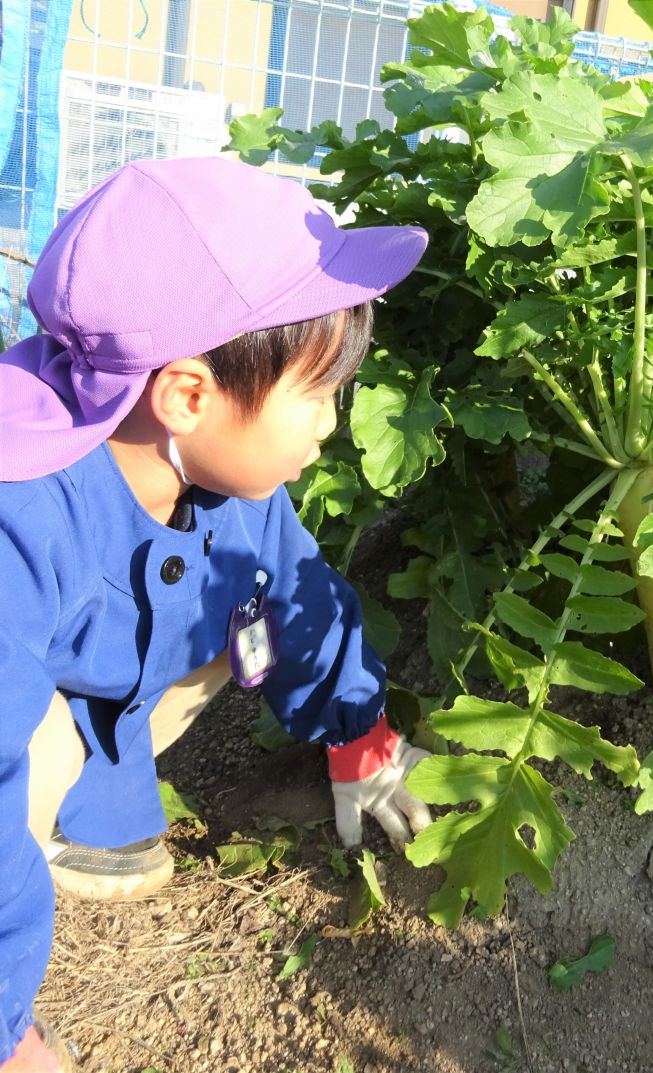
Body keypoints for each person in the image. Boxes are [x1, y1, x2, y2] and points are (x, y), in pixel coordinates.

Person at [0, 156, 433, 1071]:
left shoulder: (223, 480)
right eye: (318, 394)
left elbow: (301, 603)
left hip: (103, 665)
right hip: (23, 702)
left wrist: (358, 732)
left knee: (249, 610)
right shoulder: (22, 518)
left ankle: (88, 797)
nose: (331, 423)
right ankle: (54, 789)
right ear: (189, 395)